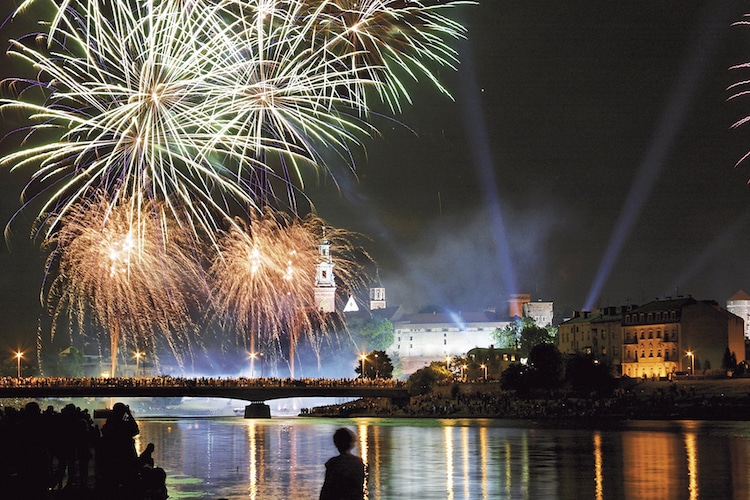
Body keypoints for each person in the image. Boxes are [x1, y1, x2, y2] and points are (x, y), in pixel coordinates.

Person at [319, 427, 366, 500]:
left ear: (336, 443)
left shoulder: (333, 464)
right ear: (352, 443)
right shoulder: (359, 463)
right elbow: (362, 488)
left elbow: (327, 489)